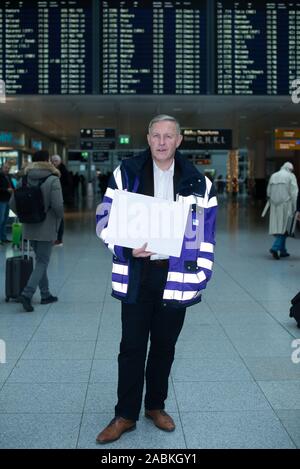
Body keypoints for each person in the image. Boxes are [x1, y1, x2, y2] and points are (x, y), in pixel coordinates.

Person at [95, 115, 217, 444]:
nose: (162, 142)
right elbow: (103, 219)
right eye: (156, 136)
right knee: (132, 347)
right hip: (138, 273)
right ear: (147, 138)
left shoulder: (198, 182)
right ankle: (125, 414)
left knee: (164, 346)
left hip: (176, 275)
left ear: (179, 141)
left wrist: (201, 274)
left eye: (168, 136)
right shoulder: (127, 174)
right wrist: (123, 246)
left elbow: (204, 234)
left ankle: (155, 405)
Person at [9, 150, 64, 312]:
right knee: (42, 261)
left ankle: (46, 295)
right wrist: (59, 218)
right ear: (48, 160)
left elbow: (13, 203)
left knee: (40, 259)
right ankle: (27, 294)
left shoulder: (24, 179)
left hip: (29, 226)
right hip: (46, 227)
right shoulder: (53, 179)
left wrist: (25, 215)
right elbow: (58, 206)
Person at [267, 162, 298, 259]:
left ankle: (283, 251)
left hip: (274, 205)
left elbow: (268, 192)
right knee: (285, 228)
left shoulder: (273, 175)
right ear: (290, 169)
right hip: (286, 205)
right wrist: (295, 208)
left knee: (278, 227)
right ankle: (275, 248)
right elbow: (294, 193)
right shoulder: (290, 176)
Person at [51, 154, 70, 246]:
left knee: (60, 218)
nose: (54, 163)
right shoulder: (53, 171)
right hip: (54, 197)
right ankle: (55, 238)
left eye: (56, 161)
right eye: (53, 161)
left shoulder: (63, 171)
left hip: (60, 197)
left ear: (60, 161)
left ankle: (59, 239)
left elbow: (68, 185)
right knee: (54, 218)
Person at [0, 162, 14, 245]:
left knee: (5, 220)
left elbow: (11, 186)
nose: (7, 169)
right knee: (1, 220)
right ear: (2, 167)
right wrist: (6, 190)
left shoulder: (8, 176)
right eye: (6, 168)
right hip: (1, 200)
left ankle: (3, 237)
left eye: (8, 168)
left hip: (7, 200)